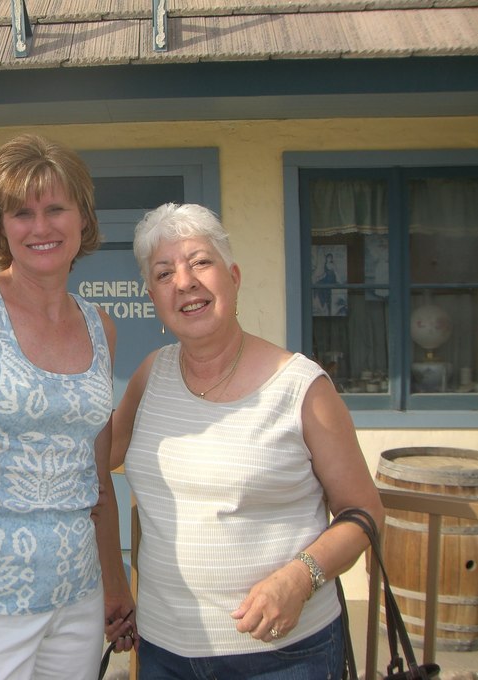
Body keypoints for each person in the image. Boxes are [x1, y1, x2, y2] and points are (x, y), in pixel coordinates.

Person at [111, 203, 384, 679]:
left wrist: (300, 578)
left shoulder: (301, 386)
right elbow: (87, 464)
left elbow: (364, 513)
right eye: (164, 273)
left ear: (233, 277)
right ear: (153, 298)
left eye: (200, 262)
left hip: (282, 655)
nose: (184, 282)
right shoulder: (150, 376)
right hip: (162, 652)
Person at [0, 134, 135, 680]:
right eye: (22, 213)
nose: (41, 227)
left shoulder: (100, 326)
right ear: (2, 226)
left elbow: (97, 477)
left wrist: (115, 583)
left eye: (56, 208)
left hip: (77, 595)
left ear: (83, 218)